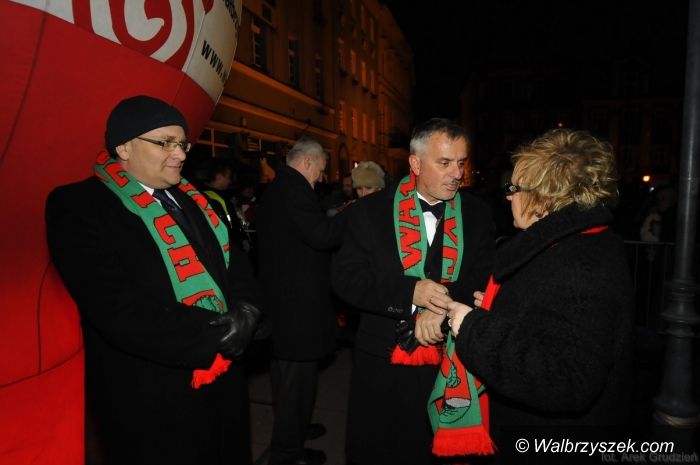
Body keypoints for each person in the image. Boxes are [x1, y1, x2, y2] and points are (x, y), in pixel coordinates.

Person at [45, 95, 261, 465]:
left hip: (224, 380)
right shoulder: (79, 205)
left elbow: (235, 263)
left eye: (183, 144)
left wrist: (248, 310)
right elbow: (114, 306)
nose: (179, 154)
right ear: (124, 147)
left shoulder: (196, 199)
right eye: (165, 143)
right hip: (151, 393)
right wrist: (216, 333)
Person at [440, 129, 634, 459]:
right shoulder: (572, 243)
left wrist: (474, 328)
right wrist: (499, 309)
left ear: (544, 198)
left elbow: (566, 379)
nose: (508, 197)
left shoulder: (581, 265)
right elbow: (546, 321)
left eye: (514, 188)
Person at [331, 118, 495, 465]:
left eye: (461, 163)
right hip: (383, 363)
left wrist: (442, 307)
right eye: (445, 162)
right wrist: (410, 292)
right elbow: (347, 280)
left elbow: (482, 278)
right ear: (416, 163)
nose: (457, 174)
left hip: (451, 360)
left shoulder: (479, 215)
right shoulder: (368, 213)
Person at [256, 136, 345, 465]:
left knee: (291, 382)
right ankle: (288, 453)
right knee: (295, 384)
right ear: (307, 161)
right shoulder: (293, 190)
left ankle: (296, 430)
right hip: (295, 309)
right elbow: (323, 235)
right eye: (320, 169)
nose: (321, 177)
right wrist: (352, 214)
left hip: (286, 304)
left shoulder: (282, 187)